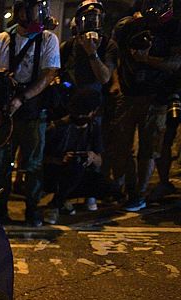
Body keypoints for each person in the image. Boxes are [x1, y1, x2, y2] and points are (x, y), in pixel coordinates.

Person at [0, 0, 61, 226]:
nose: (40, 15)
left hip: (33, 112)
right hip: (4, 112)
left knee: (33, 163)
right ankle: (1, 208)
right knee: (2, 162)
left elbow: (48, 75)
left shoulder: (48, 39)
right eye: (35, 10)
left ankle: (32, 209)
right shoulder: (3, 39)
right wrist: (0, 74)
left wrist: (22, 98)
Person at [111, 0, 181, 211]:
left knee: (148, 149)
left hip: (156, 96)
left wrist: (146, 59)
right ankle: (130, 190)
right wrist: (116, 82)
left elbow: (176, 63)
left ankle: (139, 195)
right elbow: (116, 56)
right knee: (123, 148)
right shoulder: (128, 25)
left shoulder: (174, 27)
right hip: (129, 93)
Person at [59, 0, 118, 211]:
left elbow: (104, 77)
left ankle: (91, 193)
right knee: (68, 152)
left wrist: (92, 52)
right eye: (87, 17)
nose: (92, 21)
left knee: (94, 152)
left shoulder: (107, 45)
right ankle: (65, 193)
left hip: (96, 110)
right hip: (71, 109)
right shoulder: (68, 46)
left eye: (96, 17)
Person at [43, 88, 107, 224]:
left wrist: (92, 157)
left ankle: (64, 200)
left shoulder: (93, 127)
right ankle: (55, 204)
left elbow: (100, 161)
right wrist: (61, 160)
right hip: (55, 173)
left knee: (108, 186)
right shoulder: (58, 127)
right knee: (74, 167)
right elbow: (40, 159)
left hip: (80, 173)